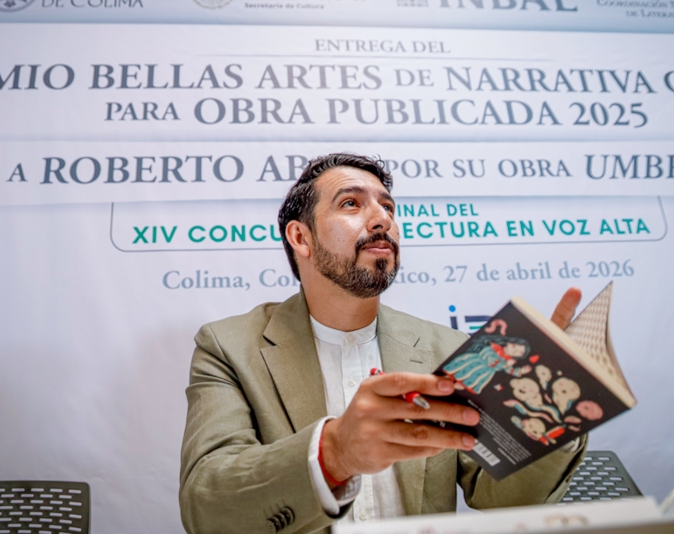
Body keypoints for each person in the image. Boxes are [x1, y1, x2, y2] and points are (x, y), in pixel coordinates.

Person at [179, 154, 586, 534]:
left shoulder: (450, 348)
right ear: (301, 237)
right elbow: (207, 507)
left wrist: (552, 415)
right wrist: (335, 452)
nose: (382, 220)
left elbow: (504, 498)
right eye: (351, 204)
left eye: (388, 207)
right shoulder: (228, 347)